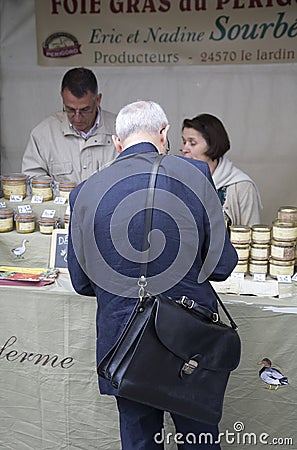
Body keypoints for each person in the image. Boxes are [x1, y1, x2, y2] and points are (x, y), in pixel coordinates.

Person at [67, 100, 238, 449]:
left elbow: (81, 282)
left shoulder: (83, 193)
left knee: (140, 442)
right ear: (164, 133)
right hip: (188, 341)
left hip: (124, 345)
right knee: (199, 441)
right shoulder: (196, 175)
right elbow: (221, 266)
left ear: (117, 143)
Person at [21, 67, 118, 184]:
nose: (77, 117)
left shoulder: (121, 130)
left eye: (85, 110)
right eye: (70, 110)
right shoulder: (43, 134)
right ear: (62, 98)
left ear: (98, 100)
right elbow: (33, 179)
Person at [181, 113, 262, 227]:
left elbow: (251, 234)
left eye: (192, 143)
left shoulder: (242, 186)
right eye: (184, 142)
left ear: (212, 144)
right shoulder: (182, 182)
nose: (184, 149)